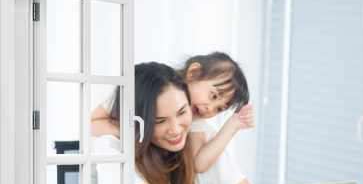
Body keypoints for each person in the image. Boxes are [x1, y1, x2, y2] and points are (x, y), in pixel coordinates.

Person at [93, 62, 253, 184]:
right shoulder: (111, 146)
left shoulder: (201, 137)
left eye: (182, 112)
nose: (176, 130)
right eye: (160, 121)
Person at [92, 52, 255, 175]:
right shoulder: (147, 86)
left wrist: (233, 125)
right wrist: (141, 131)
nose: (210, 109)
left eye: (219, 109)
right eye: (213, 96)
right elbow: (91, 124)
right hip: (103, 167)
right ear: (194, 72)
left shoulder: (194, 117)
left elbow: (199, 163)